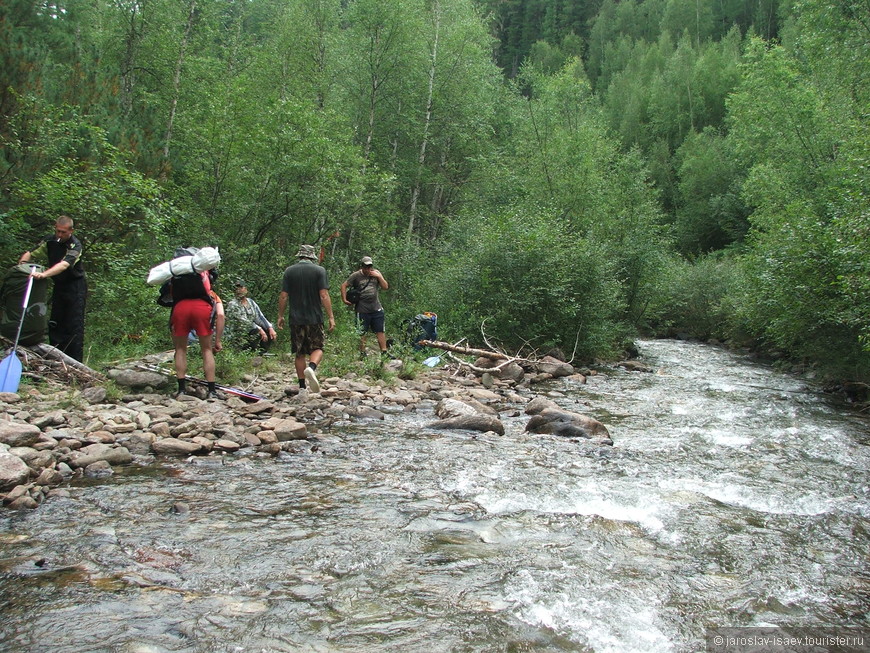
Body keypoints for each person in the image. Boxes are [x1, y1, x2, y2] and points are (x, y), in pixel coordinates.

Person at [18, 215, 87, 361]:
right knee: (56, 322)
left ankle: (74, 362)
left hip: (75, 287)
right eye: (58, 231)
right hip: (60, 285)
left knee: (73, 324)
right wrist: (22, 265)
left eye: (63, 232)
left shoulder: (75, 245)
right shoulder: (50, 240)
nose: (60, 235)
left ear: (71, 231)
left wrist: (44, 275)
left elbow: (64, 265)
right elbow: (30, 252)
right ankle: (54, 358)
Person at [277, 244, 335, 394]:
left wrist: (280, 315)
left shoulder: (289, 271)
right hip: (314, 317)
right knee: (318, 347)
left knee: (299, 352)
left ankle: (302, 386)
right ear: (312, 256)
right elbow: (324, 295)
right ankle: (312, 368)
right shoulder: (319, 271)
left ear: (300, 255)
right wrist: (331, 316)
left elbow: (284, 296)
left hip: (296, 318)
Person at [168, 268, 219, 399]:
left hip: (180, 307)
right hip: (202, 307)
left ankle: (181, 390)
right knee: (207, 349)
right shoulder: (203, 269)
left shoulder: (177, 270)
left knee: (180, 349)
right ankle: (212, 391)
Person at [341, 255, 389, 358]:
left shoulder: (376, 274)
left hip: (376, 307)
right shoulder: (356, 276)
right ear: (362, 266)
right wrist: (344, 299)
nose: (368, 269)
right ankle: (362, 353)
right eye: (366, 267)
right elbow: (344, 285)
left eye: (370, 266)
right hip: (362, 308)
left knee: (380, 330)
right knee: (362, 332)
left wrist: (379, 277)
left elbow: (385, 287)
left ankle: (384, 352)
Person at [226, 279, 276, 352]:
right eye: (236, 288)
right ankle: (249, 351)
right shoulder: (233, 304)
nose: (238, 290)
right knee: (256, 330)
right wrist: (259, 329)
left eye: (241, 288)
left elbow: (260, 317)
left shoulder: (251, 302)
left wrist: (270, 328)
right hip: (237, 333)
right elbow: (243, 322)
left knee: (270, 327)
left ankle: (263, 351)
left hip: (249, 330)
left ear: (246, 289)